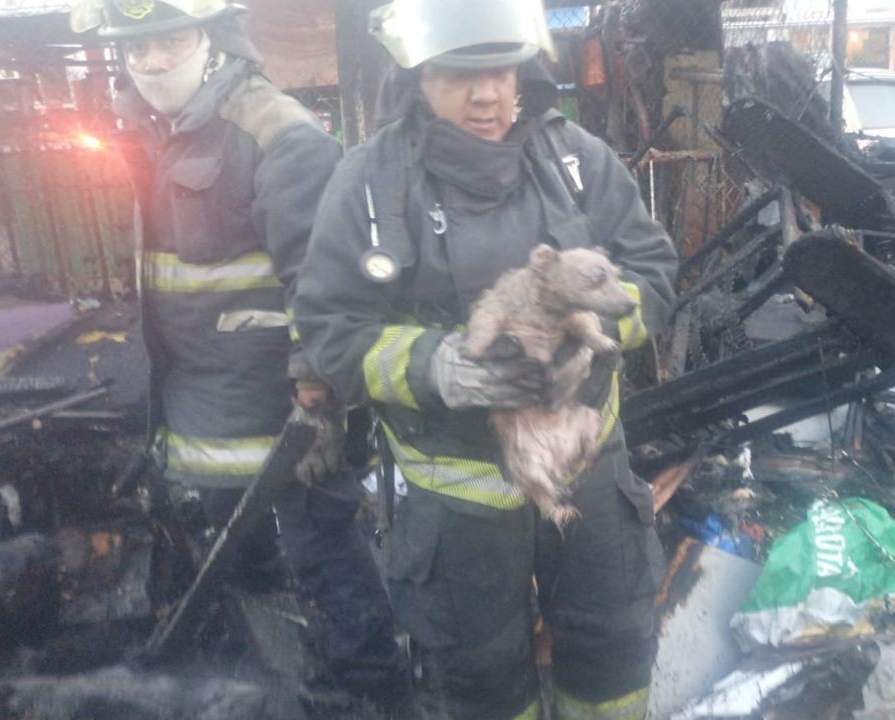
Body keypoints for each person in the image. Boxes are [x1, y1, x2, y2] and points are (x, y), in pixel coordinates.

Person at [289, 0, 678, 717]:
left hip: (585, 475)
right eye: (455, 74)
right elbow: (329, 328)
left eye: (499, 70)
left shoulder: (577, 161)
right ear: (415, 77)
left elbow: (652, 274)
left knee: (613, 648)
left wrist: (594, 332)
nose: (486, 94)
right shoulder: (369, 183)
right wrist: (437, 366)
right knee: (482, 679)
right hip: (457, 505)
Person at [68, 0, 405, 707]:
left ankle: (377, 695)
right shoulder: (143, 131)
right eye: (136, 48)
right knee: (242, 557)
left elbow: (325, 284)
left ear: (215, 39)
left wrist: (316, 402)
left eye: (170, 40)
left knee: (325, 554)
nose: (152, 62)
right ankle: (276, 677)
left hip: (282, 410)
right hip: (198, 400)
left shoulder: (278, 134)